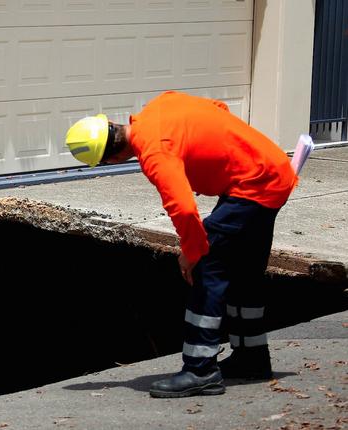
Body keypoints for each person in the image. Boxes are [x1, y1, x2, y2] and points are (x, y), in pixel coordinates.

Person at [65, 91, 298, 398]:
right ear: (110, 122)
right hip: (270, 170)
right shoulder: (162, 103)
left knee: (208, 267)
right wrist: (206, 164)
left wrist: (191, 252)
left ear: (111, 158)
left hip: (252, 185)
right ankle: (251, 359)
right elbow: (218, 109)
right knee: (242, 271)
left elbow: (184, 210)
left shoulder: (154, 154)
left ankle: (200, 370)